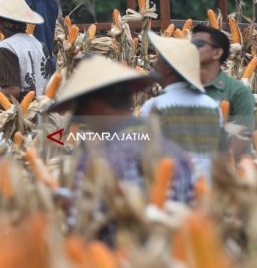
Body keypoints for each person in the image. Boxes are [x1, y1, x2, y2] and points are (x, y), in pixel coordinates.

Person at [49, 56, 195, 245]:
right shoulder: (177, 152)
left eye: (79, 113)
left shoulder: (94, 161)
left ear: (94, 107)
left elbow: (79, 231)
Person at [141, 32, 222, 180]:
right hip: (206, 192)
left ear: (168, 68)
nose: (153, 64)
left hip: (169, 192)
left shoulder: (153, 107)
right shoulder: (213, 106)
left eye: (158, 59)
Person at [191, 24, 255, 158]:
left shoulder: (238, 92)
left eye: (198, 44)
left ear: (217, 53)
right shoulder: (181, 88)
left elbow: (240, 143)